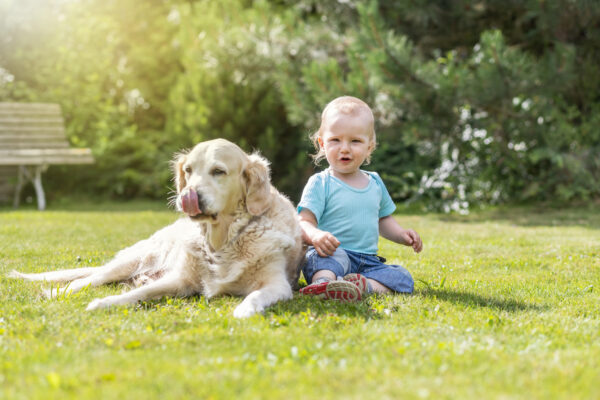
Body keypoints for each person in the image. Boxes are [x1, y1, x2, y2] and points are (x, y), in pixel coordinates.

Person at [298, 96, 423, 301]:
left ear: (369, 147)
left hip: (367, 262)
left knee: (403, 278)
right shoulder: (321, 182)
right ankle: (324, 284)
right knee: (324, 262)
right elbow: (303, 221)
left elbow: (383, 220)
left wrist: (402, 235)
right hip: (332, 253)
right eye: (335, 140)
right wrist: (316, 236)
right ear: (322, 144)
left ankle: (361, 285)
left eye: (355, 141)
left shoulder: (374, 182)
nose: (345, 148)